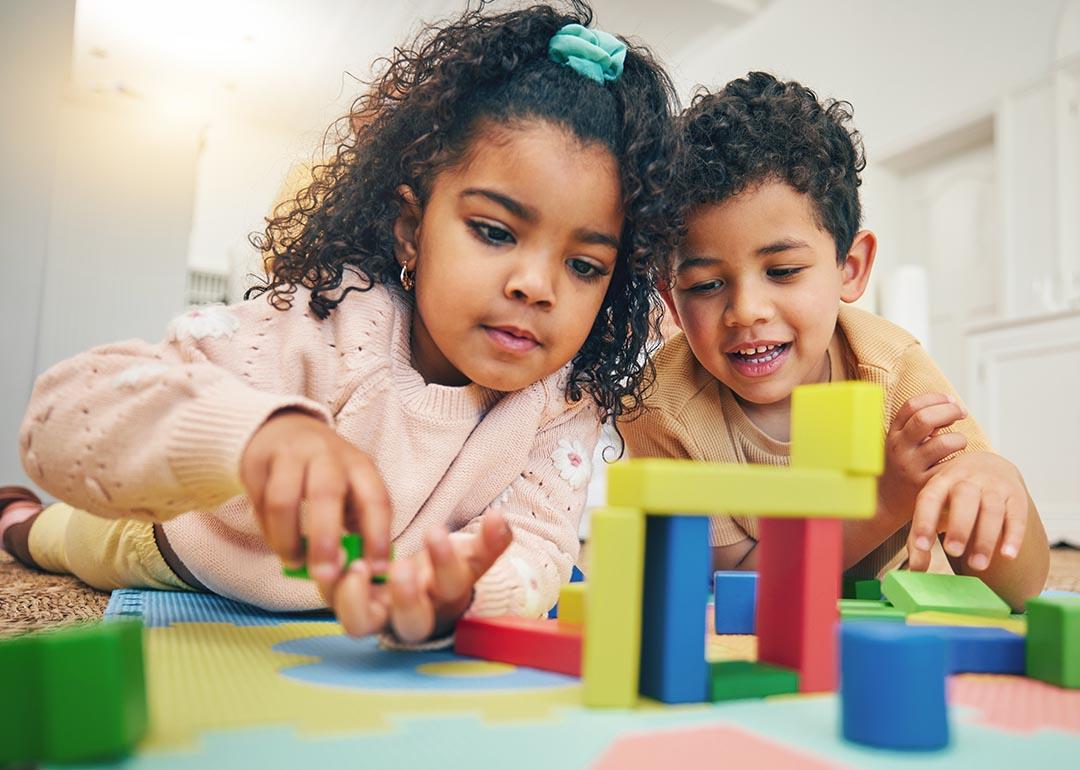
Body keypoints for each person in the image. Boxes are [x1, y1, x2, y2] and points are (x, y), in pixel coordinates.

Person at [0, 1, 679, 644]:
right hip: (181, 547)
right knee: (55, 535)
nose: (536, 286)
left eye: (586, 266)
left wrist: (458, 593)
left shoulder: (562, 399)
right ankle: (15, 517)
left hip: (350, 605)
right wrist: (256, 438)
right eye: (494, 231)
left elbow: (538, 547)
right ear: (412, 231)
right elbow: (61, 417)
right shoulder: (326, 321)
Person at [621, 71, 1048, 610]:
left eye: (783, 271)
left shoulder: (893, 370)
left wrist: (996, 483)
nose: (746, 311)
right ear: (671, 299)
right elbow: (733, 588)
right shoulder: (659, 404)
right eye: (706, 285)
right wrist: (883, 501)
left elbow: (1019, 591)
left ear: (850, 267)